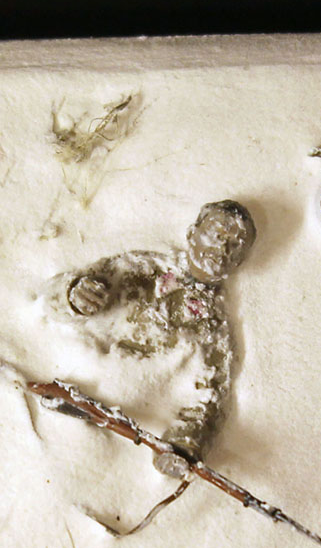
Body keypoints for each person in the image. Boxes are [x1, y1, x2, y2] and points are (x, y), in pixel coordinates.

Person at [56, 200, 256, 477]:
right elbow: (57, 298)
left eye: (236, 244)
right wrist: (73, 296)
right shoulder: (142, 268)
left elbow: (208, 401)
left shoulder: (214, 329)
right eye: (217, 234)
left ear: (239, 261)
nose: (223, 247)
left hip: (116, 428)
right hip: (69, 376)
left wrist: (186, 443)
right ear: (192, 233)